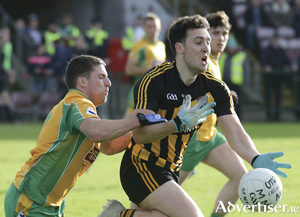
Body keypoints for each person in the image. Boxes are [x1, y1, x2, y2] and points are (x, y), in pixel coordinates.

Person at [100, 14, 291, 217]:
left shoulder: (215, 87)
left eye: (207, 42)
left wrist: (255, 158)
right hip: (141, 166)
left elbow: (233, 130)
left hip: (172, 168)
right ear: (180, 48)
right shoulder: (154, 81)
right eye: (198, 42)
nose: (206, 48)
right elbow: (140, 135)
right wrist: (177, 123)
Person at [4, 55, 172, 217]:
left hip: (50, 203)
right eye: (101, 77)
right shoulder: (76, 102)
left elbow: (110, 145)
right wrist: (139, 120)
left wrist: (155, 131)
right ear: (82, 82)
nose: (109, 82)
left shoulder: (85, 112)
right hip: (30, 200)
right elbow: (97, 132)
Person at [178, 12, 248, 217]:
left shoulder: (215, 62)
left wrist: (224, 92)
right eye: (215, 33)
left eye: (224, 33)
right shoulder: (202, 62)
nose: (221, 38)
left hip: (209, 137)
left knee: (241, 178)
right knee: (158, 195)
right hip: (191, 139)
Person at [123, 12, 166, 119]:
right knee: (127, 126)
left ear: (160, 27)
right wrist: (149, 69)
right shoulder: (139, 46)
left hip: (156, 92)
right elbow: (128, 69)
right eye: (149, 27)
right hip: (140, 91)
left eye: (155, 26)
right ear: (144, 28)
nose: (153, 29)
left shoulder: (161, 45)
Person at [260, 34, 293, 121]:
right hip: (269, 77)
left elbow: (287, 61)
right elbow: (263, 60)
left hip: (279, 77)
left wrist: (289, 66)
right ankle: (269, 116)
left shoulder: (281, 50)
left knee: (278, 95)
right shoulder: (267, 50)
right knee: (268, 96)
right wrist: (266, 66)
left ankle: (277, 116)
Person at [219, 33, 251, 120]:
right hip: (224, 84)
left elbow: (246, 71)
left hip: (237, 84)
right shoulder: (223, 55)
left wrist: (245, 84)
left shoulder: (242, 56)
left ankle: (238, 120)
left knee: (237, 105)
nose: (231, 49)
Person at [0, 26, 15, 122]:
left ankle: (11, 117)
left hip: (3, 73)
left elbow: (6, 62)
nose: (7, 37)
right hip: (3, 72)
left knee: (5, 95)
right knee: (5, 96)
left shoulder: (8, 46)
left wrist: (9, 72)